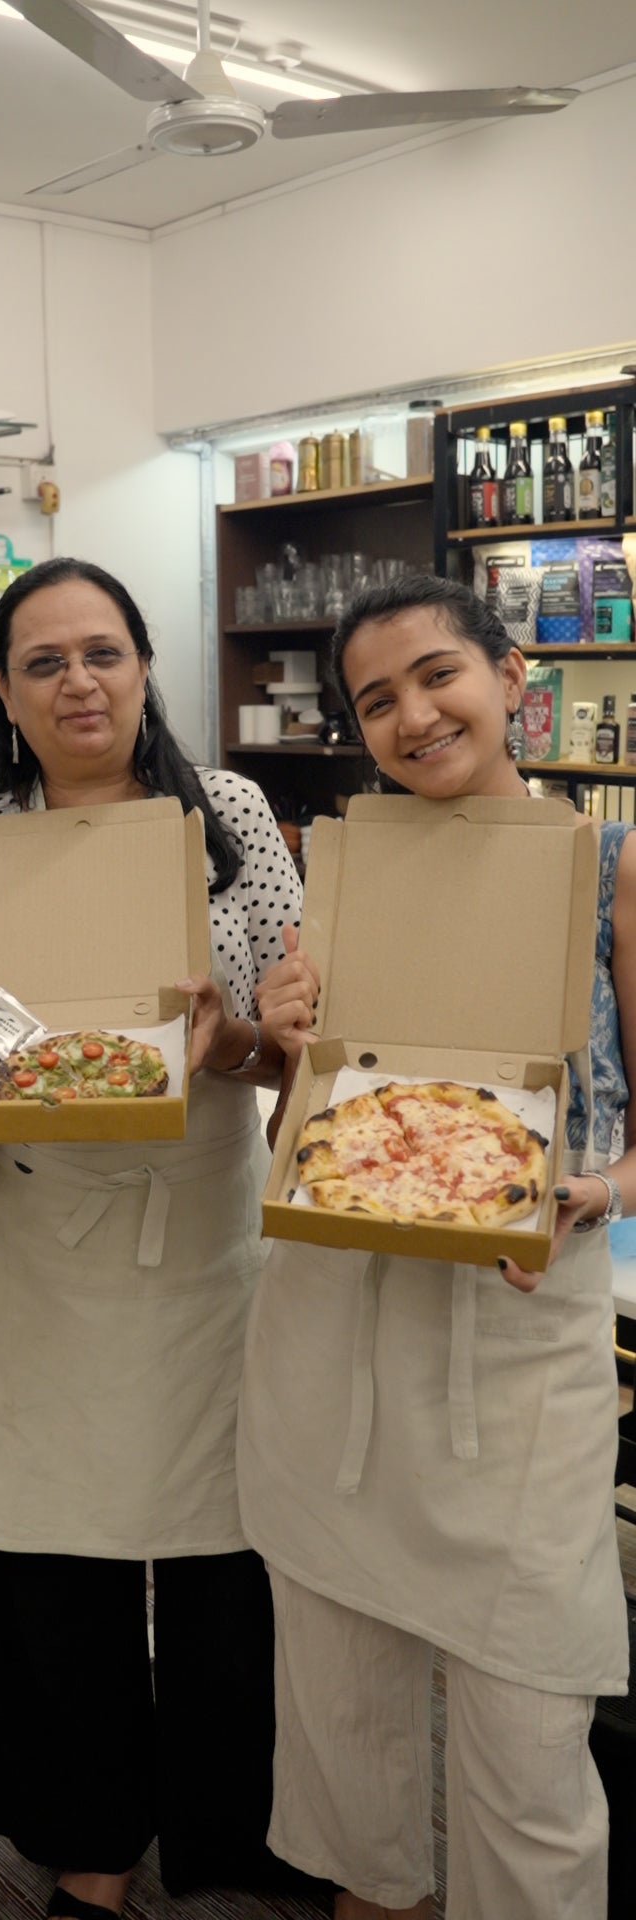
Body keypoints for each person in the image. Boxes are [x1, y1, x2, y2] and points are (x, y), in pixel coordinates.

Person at [0, 556, 312, 1920]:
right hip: (34, 1239)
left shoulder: (233, 815)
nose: (78, 681)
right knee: (49, 1551)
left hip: (202, 1231)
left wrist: (231, 1034)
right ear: (8, 696)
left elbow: (291, 1050)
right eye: (43, 663)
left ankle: (226, 1832)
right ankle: (87, 1837)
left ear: (144, 667)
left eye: (102, 653)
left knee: (219, 1553)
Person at [239, 573, 633, 1920]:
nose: (412, 715)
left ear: (513, 677)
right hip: (336, 1318)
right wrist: (286, 1040)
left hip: (521, 1330)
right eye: (376, 700)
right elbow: (317, 1122)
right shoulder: (342, 864)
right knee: (345, 1705)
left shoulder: (611, 862)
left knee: (528, 1720)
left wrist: (601, 1186)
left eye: (436, 675)